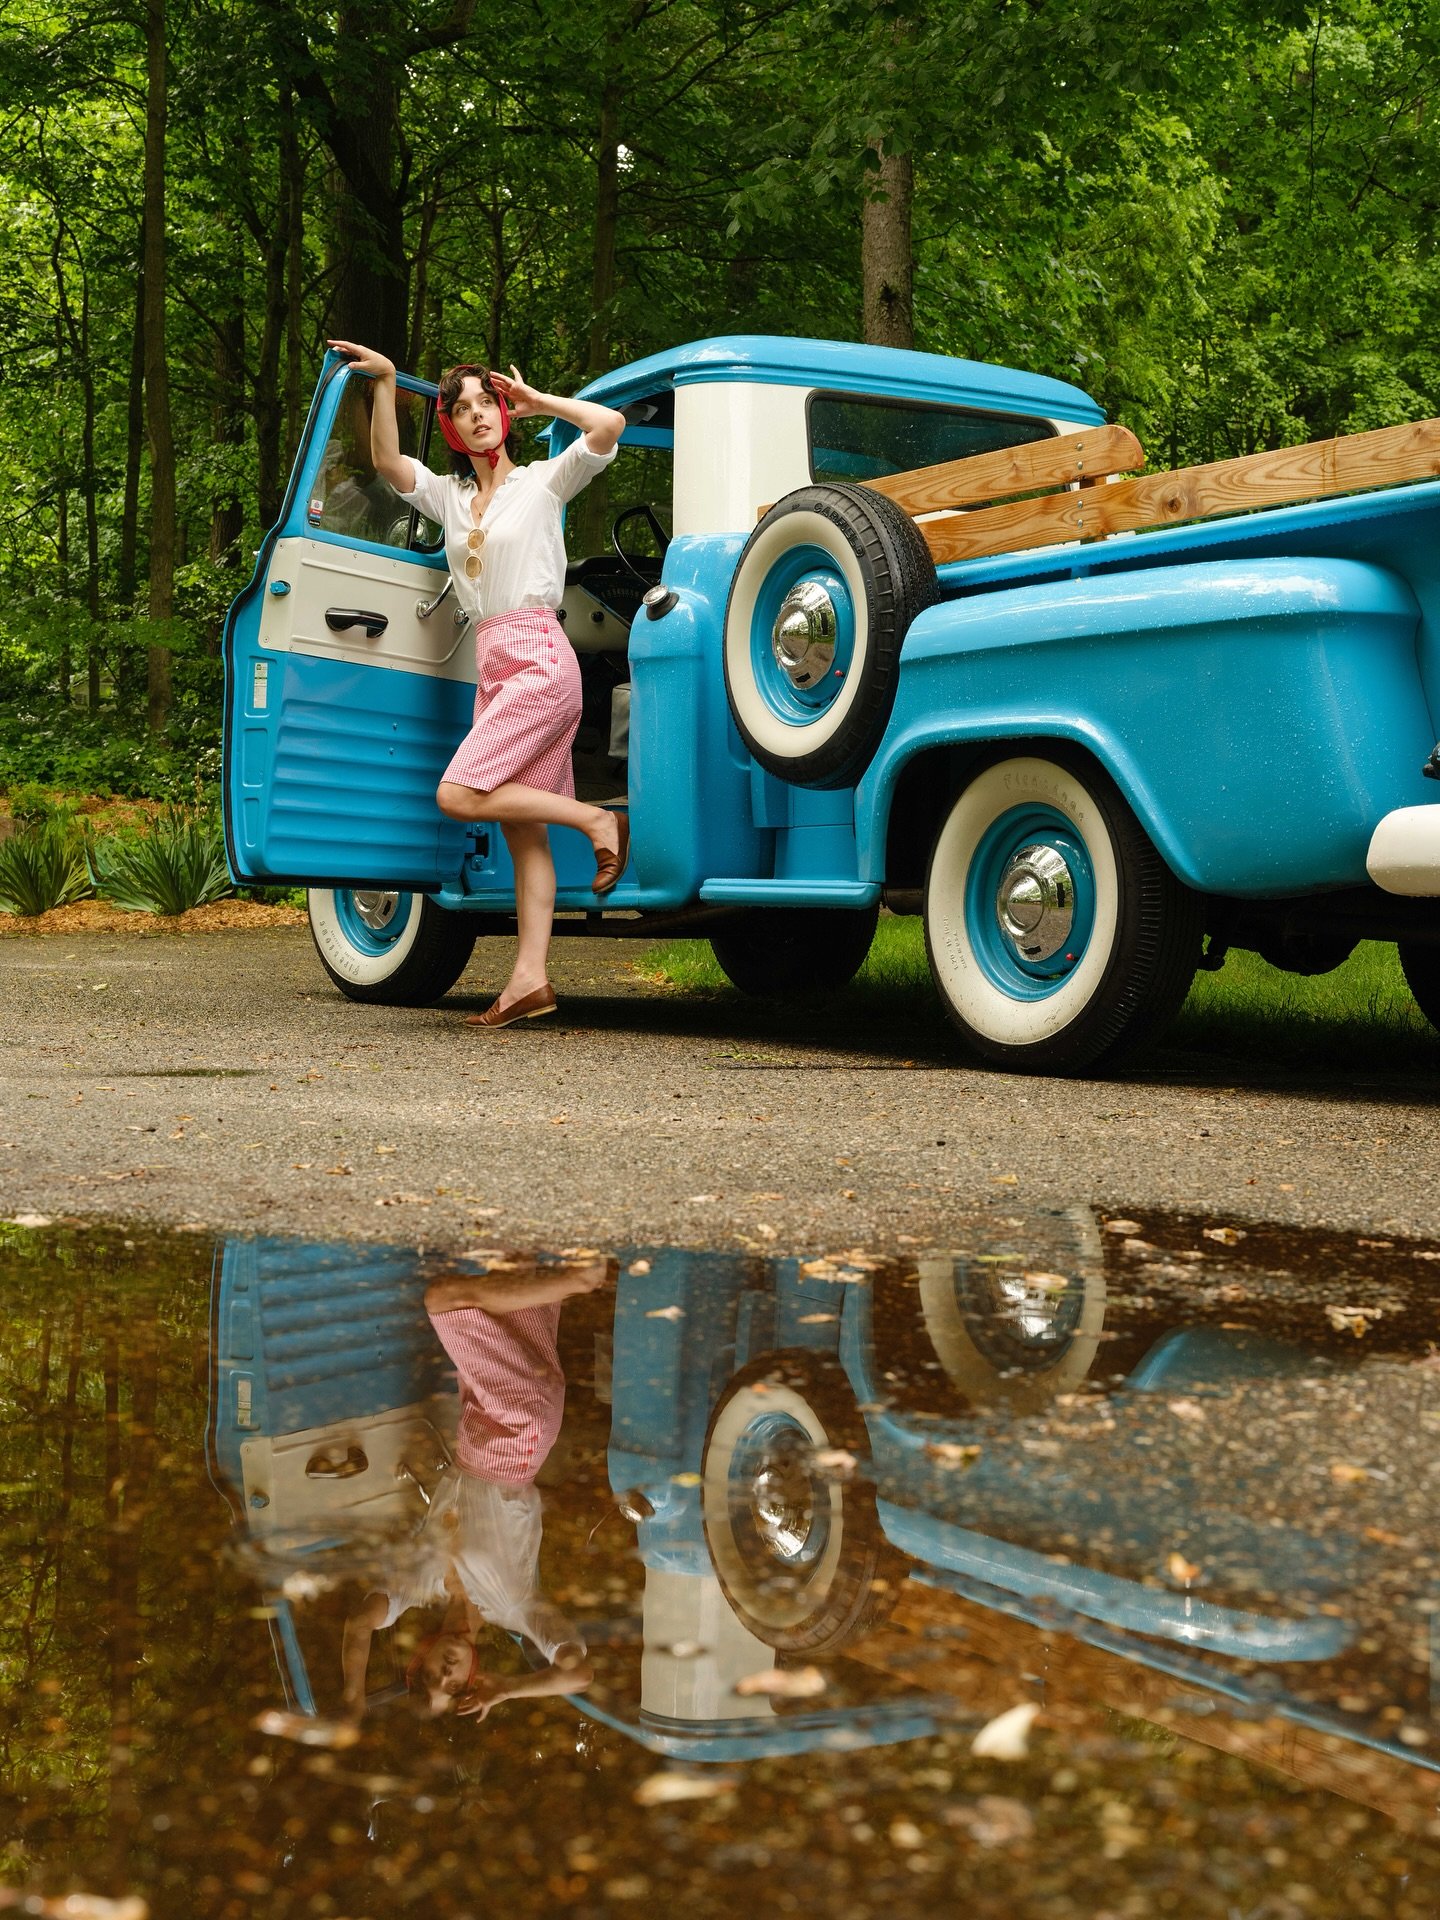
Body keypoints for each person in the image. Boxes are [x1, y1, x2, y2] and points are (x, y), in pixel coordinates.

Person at [326, 342, 630, 1028]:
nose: (477, 415)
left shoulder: (544, 481)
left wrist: (541, 401)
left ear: (504, 413)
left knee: (457, 795)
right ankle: (529, 980)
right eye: (462, 409)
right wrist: (384, 382)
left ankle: (598, 820)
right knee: (523, 832)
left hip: (541, 658)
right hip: (492, 666)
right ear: (452, 427)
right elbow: (386, 462)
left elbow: (608, 425)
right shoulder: (451, 497)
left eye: (486, 402)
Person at [339, 1250, 614, 1722]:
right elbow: (577, 1675)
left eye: (432, 1676)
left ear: (420, 1657)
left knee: (515, 1269)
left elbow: (359, 1624)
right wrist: (507, 1691)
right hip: (517, 1433)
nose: (446, 1672)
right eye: (454, 1685)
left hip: (481, 1423)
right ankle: (583, 1280)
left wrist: (353, 1697)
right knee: (445, 1299)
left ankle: (567, 1263)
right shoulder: (516, 1608)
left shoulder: (416, 1586)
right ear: (473, 1677)